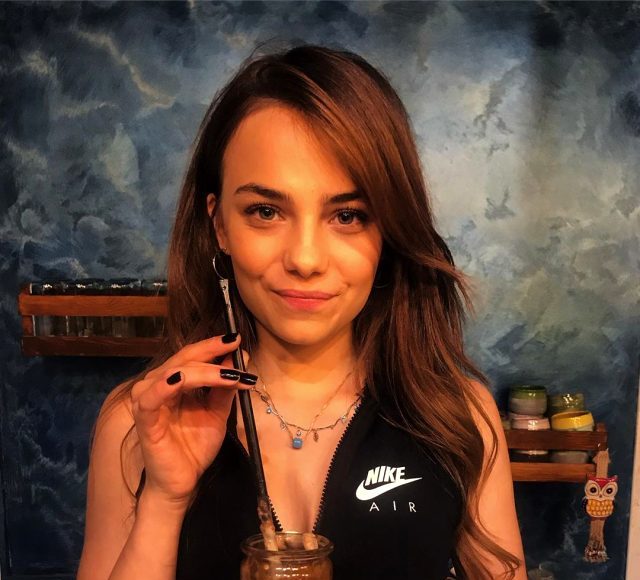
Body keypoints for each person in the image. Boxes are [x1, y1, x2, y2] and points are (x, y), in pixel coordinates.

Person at [77, 43, 526, 580]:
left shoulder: (458, 414)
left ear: (388, 230)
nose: (306, 259)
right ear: (220, 225)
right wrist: (165, 500)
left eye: (348, 215)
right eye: (266, 211)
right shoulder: (135, 422)